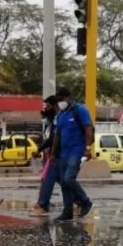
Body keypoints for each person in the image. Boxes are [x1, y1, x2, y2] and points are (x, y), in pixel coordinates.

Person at [52, 86, 93, 222]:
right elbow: (57, 135)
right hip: (63, 153)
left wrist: (87, 148)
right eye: (59, 100)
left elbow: (88, 129)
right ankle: (67, 211)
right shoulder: (60, 115)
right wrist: (53, 154)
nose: (60, 102)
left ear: (68, 98)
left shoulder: (79, 110)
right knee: (64, 183)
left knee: (69, 179)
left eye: (62, 99)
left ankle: (85, 201)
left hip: (76, 151)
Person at [30, 95, 61, 217]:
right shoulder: (51, 122)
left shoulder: (58, 120)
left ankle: (42, 205)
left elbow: (53, 139)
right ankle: (81, 201)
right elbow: (50, 139)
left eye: (47, 106)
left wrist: (43, 150)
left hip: (57, 154)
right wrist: (41, 150)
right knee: (63, 181)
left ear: (54, 106)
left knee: (46, 179)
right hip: (53, 154)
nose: (45, 109)